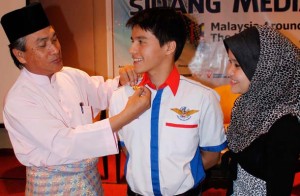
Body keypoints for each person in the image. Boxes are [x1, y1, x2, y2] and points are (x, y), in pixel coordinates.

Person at [0, 3, 151, 195]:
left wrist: (121, 80)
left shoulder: (70, 75)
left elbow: (102, 93)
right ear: (20, 54)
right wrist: (126, 116)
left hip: (89, 177)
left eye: (55, 39)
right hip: (52, 184)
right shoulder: (19, 100)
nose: (54, 49)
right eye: (42, 44)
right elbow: (65, 143)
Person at [109, 7, 227, 196]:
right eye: (132, 41)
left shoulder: (203, 98)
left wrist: (179, 177)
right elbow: (126, 148)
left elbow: (211, 156)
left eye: (141, 41)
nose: (132, 49)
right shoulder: (120, 97)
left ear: (169, 47)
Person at [223, 25, 300, 195]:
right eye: (230, 62)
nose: (229, 72)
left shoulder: (285, 123)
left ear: (265, 69)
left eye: (237, 65)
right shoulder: (246, 105)